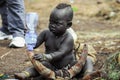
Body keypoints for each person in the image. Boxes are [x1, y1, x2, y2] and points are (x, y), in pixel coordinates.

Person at [14, 3, 97, 80]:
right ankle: (25, 74)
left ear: (68, 25)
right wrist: (29, 37)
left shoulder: (68, 38)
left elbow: (61, 53)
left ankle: (88, 73)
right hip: (51, 66)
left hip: (69, 67)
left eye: (57, 24)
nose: (52, 25)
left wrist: (46, 56)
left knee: (86, 61)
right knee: (39, 65)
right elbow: (35, 44)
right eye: (51, 22)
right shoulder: (46, 33)